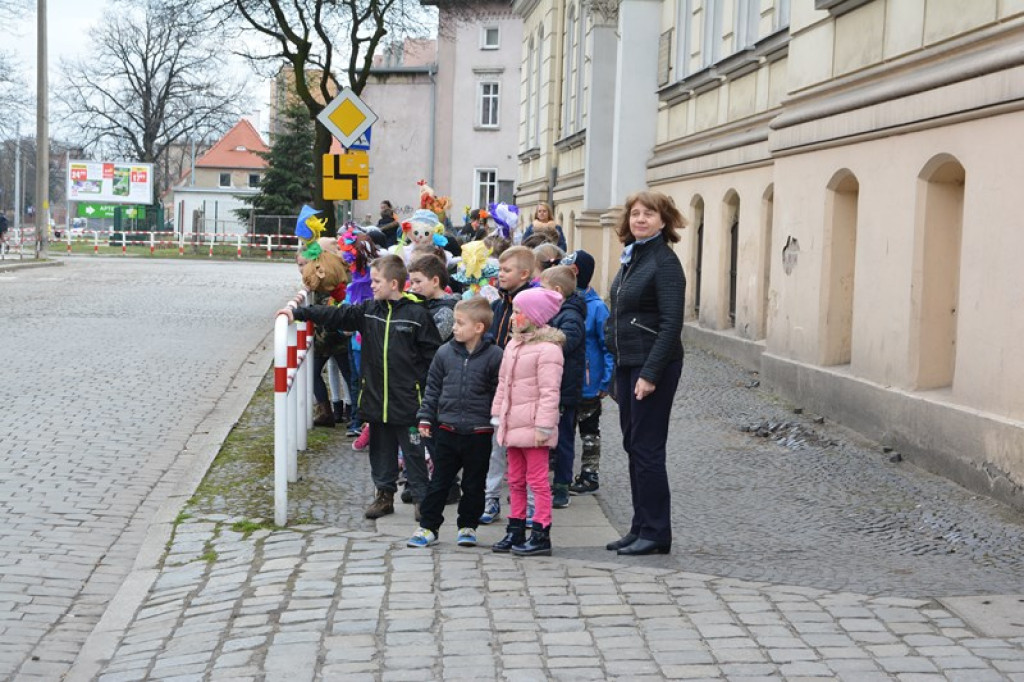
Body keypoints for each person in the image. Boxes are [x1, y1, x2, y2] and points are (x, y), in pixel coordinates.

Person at [278, 254, 442, 520]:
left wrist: (426, 396)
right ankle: (383, 495)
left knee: (413, 452)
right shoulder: (369, 310)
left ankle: (422, 500)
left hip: (409, 403)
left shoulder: (417, 316)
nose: (372, 285)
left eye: (377, 281)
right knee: (380, 451)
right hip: (377, 399)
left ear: (394, 284)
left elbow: (433, 358)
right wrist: (298, 312)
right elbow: (337, 315)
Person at [605, 190, 686, 556]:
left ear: (663, 221)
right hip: (628, 363)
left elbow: (671, 326)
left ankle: (656, 532)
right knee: (632, 446)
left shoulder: (664, 262)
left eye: (649, 214)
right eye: (636, 213)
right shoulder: (633, 257)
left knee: (648, 449)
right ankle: (639, 526)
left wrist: (650, 373)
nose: (640, 219)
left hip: (653, 365)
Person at [407, 297, 504, 548]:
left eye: (460, 323)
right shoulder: (444, 352)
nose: (454, 328)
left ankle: (468, 526)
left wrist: (497, 419)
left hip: (479, 432)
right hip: (447, 429)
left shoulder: (495, 356)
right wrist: (426, 416)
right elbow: (433, 388)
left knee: (474, 485)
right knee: (439, 482)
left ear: (479, 327)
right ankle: (428, 527)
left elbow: (499, 392)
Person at [490, 287, 565, 556]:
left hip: (534, 429)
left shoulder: (548, 350)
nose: (512, 317)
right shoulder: (513, 345)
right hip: (512, 425)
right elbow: (503, 384)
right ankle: (516, 528)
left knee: (537, 481)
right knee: (515, 479)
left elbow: (549, 392)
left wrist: (544, 425)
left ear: (533, 316)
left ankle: (541, 532)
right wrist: (498, 413)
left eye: (518, 312)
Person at [480, 246, 536, 524]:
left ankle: (525, 504)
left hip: (524, 390)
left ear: (524, 274)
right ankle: (491, 499)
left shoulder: (531, 305)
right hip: (498, 387)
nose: (500, 275)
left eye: (506, 270)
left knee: (523, 452)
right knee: (496, 448)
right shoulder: (498, 305)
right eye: (500, 269)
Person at [563, 250, 614, 495]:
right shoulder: (563, 302)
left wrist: (606, 380)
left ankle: (589, 474)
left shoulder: (597, 308)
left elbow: (608, 346)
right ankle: (562, 470)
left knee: (589, 431)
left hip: (589, 383)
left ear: (574, 272)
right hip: (567, 381)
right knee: (565, 429)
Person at [538, 265, 585, 509]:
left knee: (564, 439)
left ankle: (562, 487)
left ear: (556, 291)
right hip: (550, 387)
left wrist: (538, 336)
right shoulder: (554, 312)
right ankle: (541, 484)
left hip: (564, 390)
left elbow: (564, 342)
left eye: (543, 288)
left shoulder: (571, 315)